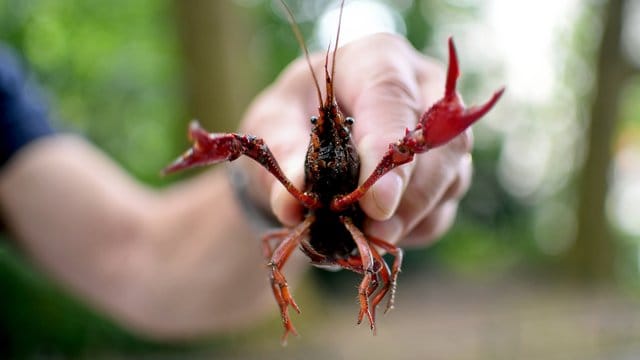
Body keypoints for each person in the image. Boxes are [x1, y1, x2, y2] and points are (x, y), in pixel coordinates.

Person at [0, 33, 472, 340]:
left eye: (339, 124)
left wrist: (257, 194)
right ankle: (291, 314)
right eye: (318, 124)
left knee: (381, 256)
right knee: (277, 253)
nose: (327, 131)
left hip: (340, 227)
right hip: (312, 230)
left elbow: (137, 252)